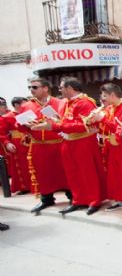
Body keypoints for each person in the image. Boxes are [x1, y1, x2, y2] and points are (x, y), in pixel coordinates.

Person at [31, 77, 104, 215]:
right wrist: (54, 123)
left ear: (70, 88)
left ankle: (94, 200)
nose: (60, 90)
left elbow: (84, 125)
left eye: (61, 87)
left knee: (87, 173)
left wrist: (55, 126)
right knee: (72, 174)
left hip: (83, 143)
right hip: (68, 142)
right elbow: (64, 121)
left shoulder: (85, 103)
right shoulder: (65, 103)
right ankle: (78, 200)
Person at [19, 78, 70, 213]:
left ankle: (72, 197)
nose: (31, 90)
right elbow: (19, 125)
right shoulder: (26, 106)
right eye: (30, 87)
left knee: (64, 171)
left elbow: (65, 122)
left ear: (45, 88)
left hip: (58, 144)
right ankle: (46, 199)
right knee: (43, 173)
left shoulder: (60, 103)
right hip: (39, 146)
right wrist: (24, 125)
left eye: (35, 87)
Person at [85, 84, 122, 212]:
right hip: (109, 145)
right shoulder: (109, 108)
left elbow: (119, 127)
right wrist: (93, 122)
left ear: (112, 95)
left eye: (104, 95)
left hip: (121, 145)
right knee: (113, 175)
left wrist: (103, 119)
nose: (102, 98)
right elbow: (104, 126)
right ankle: (118, 199)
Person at [0, 97, 31, 194]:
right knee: (21, 165)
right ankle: (24, 187)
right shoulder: (7, 117)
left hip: (31, 140)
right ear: (17, 105)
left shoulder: (28, 114)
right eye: (24, 104)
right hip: (18, 143)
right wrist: (7, 143)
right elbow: (2, 133)